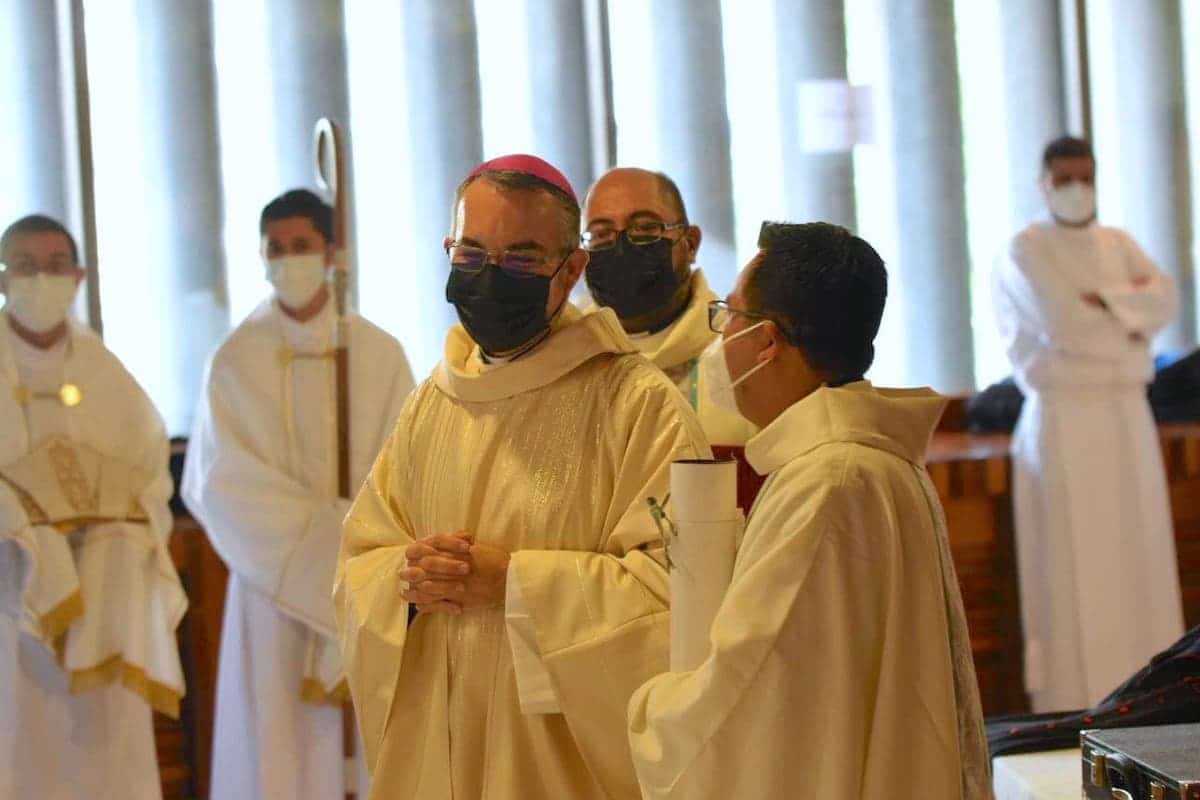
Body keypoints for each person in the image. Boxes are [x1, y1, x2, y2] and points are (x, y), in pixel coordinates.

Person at [335, 154, 709, 800]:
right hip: (442, 753)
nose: (490, 277)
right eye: (473, 254)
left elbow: (684, 600)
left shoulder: (636, 406)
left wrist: (515, 584)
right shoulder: (432, 403)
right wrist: (408, 580)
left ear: (570, 272)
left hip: (559, 767)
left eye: (521, 260)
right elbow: (362, 557)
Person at [627, 222, 991, 799]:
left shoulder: (826, 483)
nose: (721, 338)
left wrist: (651, 713)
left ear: (767, 341)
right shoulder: (871, 462)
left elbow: (747, 689)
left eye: (730, 316)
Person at [182, 189, 415, 799]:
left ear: (333, 251)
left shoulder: (378, 353)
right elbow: (221, 483)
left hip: (365, 585)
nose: (289, 260)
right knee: (277, 745)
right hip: (273, 592)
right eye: (277, 250)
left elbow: (409, 467)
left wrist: (357, 536)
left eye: (303, 247)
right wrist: (321, 541)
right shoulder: (235, 360)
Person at [993, 136, 1184, 712]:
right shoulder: (1024, 250)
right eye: (1064, 178)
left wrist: (1102, 303)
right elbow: (1064, 325)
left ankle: (1152, 701)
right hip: (1064, 418)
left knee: (1138, 555)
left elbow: (1167, 302)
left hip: (1126, 414)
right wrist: (1126, 325)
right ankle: (1073, 705)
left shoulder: (1119, 242)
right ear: (1044, 182)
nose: (1078, 189)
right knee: (1073, 568)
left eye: (1086, 176)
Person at [0, 214, 186, 799]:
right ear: (4, 277)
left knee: (105, 760)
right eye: (25, 266)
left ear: (78, 276)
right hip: (12, 597)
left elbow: (149, 476)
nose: (42, 279)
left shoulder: (107, 373)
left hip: (105, 604)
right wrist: (29, 528)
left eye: (56, 266)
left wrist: (114, 531)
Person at [582, 167, 754, 445]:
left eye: (646, 228)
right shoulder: (564, 354)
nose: (623, 246)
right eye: (601, 234)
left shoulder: (744, 354)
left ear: (691, 243)